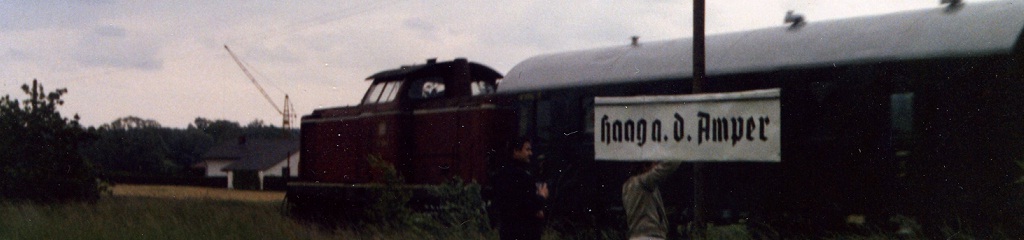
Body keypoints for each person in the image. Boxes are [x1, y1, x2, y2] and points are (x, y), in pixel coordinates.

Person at [491, 137, 548, 240]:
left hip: (507, 231)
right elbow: (527, 204)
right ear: (516, 151)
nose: (530, 153)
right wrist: (541, 197)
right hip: (523, 232)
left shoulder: (502, 173)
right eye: (527, 150)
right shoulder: (521, 177)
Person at [622, 161, 681, 240]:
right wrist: (680, 151)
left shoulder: (628, 186)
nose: (655, 167)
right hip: (649, 236)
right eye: (654, 165)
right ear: (645, 166)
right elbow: (670, 165)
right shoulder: (642, 182)